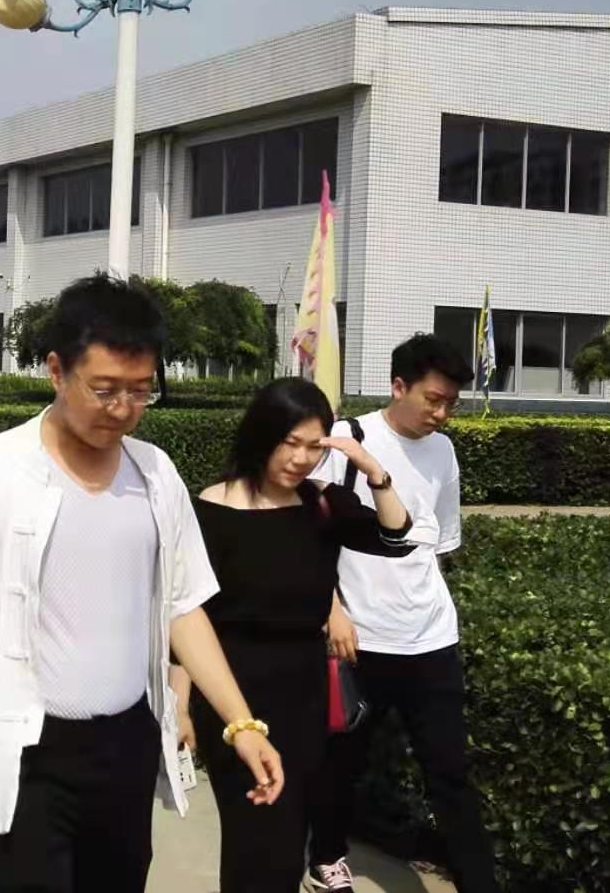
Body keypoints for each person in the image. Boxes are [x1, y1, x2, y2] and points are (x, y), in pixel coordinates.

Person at [0, 273, 285, 893]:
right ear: (57, 370)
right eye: (105, 389)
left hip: (126, 743)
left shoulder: (155, 475)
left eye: (140, 391)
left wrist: (241, 723)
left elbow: (183, 606)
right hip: (30, 753)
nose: (122, 410)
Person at [173, 378, 415, 892]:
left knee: (286, 845)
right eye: (290, 443)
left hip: (306, 698)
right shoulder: (211, 509)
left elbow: (394, 537)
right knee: (255, 840)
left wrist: (374, 471)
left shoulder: (323, 504)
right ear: (262, 435)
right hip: (234, 696)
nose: (302, 459)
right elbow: (190, 613)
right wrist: (179, 703)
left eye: (314, 446)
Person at [303, 335, 498, 893]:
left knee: (450, 771)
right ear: (398, 386)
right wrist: (331, 609)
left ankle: (479, 882)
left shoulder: (444, 451)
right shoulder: (348, 439)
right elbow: (307, 537)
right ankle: (327, 857)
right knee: (344, 760)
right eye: (433, 400)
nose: (442, 413)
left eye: (450, 403)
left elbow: (438, 541)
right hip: (359, 639)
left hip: (431, 637)